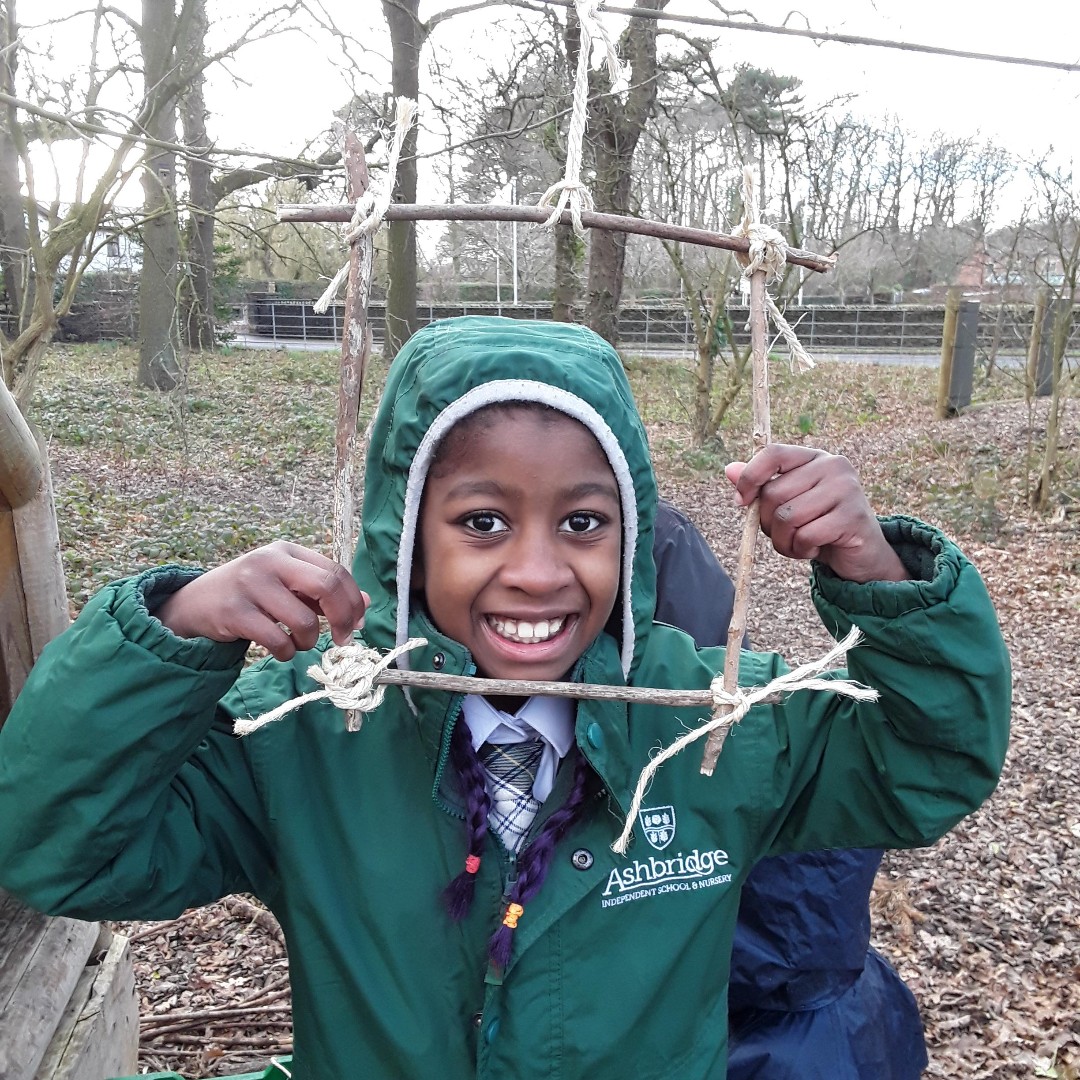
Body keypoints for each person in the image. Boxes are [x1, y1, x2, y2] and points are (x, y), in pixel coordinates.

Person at [0, 316, 1010, 1079]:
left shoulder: (713, 725)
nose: (536, 571)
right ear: (407, 536)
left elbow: (928, 766)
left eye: (583, 522)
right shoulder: (308, 734)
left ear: (632, 532)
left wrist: (878, 574)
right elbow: (59, 846)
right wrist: (170, 635)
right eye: (482, 521)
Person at [653, 500, 928, 1079]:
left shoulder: (764, 762)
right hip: (848, 1016)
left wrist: (879, 572)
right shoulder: (787, 747)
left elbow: (924, 751)